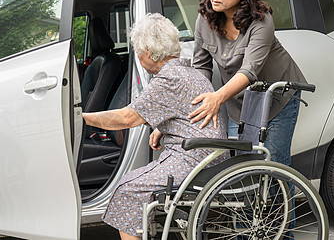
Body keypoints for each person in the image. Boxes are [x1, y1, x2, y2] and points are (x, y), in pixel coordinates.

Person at [82, 13, 227, 240]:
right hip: (203, 155)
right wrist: (162, 126)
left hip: (194, 159)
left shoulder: (169, 78)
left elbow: (127, 118)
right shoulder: (187, 72)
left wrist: (83, 118)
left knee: (127, 190)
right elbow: (182, 111)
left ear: (148, 52)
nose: (139, 58)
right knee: (131, 183)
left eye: (138, 53)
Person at [186, 0, 307, 168]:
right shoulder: (204, 19)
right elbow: (201, 68)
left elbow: (249, 70)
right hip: (238, 103)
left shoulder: (261, 20)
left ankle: (283, 202)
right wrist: (187, 108)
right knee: (243, 166)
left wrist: (217, 98)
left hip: (277, 97)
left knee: (274, 164)